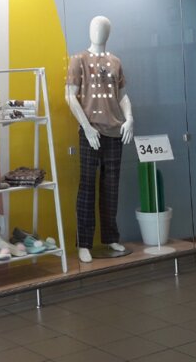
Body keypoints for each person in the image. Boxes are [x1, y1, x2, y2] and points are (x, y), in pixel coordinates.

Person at [65, 16, 133, 264]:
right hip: (90, 133)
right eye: (95, 27)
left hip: (115, 131)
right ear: (89, 30)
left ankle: (110, 237)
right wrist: (86, 127)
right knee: (87, 187)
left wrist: (130, 118)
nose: (98, 31)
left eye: (103, 28)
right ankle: (84, 243)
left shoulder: (115, 62)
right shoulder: (78, 60)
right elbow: (69, 96)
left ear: (109, 32)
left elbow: (122, 95)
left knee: (111, 186)